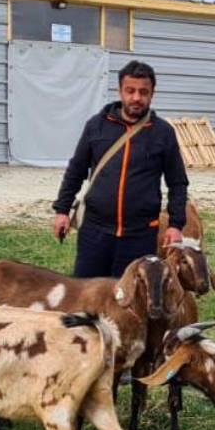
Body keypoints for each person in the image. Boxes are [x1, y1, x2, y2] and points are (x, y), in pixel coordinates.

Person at [53, 60, 188, 277]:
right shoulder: (96, 126)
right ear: (120, 91)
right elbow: (76, 170)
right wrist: (62, 210)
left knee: (129, 302)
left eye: (143, 92)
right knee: (87, 298)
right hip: (94, 232)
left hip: (140, 235)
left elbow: (178, 183)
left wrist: (175, 225)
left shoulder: (163, 133)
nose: (136, 98)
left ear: (152, 93)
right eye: (130, 91)